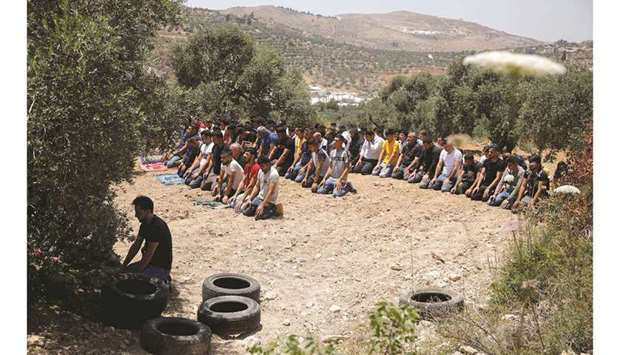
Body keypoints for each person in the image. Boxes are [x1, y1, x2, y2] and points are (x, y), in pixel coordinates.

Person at [123, 196, 172, 283]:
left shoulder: (157, 227)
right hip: (150, 264)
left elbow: (149, 253)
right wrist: (124, 265)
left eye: (138, 212)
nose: (136, 215)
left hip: (160, 267)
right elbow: (136, 246)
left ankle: (163, 280)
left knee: (133, 281)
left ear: (148, 211)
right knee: (125, 273)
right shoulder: (144, 224)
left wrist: (137, 273)